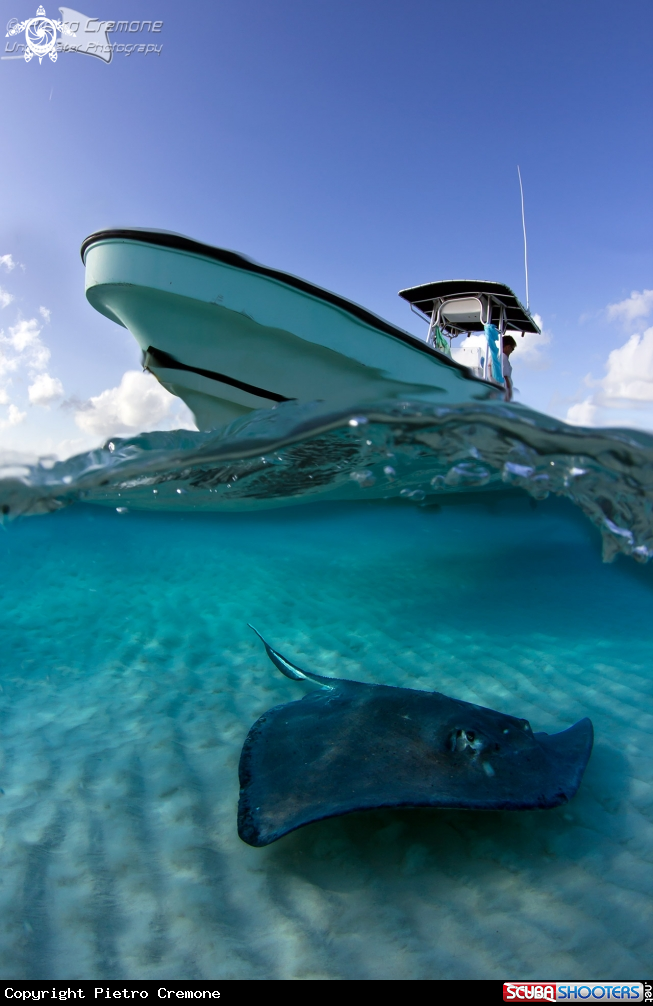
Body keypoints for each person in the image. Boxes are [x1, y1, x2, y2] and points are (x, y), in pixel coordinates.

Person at [502, 335, 517, 401]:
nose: (512, 351)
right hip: (504, 393)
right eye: (512, 348)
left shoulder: (497, 357)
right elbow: (505, 376)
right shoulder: (503, 357)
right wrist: (509, 393)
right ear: (508, 347)